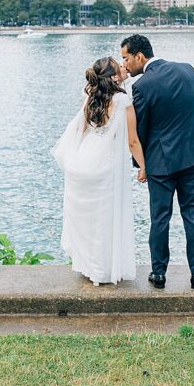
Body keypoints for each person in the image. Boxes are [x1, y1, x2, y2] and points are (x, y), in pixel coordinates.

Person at [120, 34, 194, 290]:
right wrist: (188, 128)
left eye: (126, 58)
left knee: (160, 217)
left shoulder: (142, 86)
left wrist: (142, 163)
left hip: (160, 162)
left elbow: (140, 130)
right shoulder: (188, 70)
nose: (126, 65)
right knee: (193, 215)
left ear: (140, 56)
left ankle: (159, 274)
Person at [53, 56, 144, 286]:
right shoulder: (123, 101)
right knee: (104, 218)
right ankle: (103, 270)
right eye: (119, 66)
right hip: (104, 166)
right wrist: (144, 166)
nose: (124, 67)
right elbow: (132, 141)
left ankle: (88, 266)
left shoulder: (91, 98)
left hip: (81, 164)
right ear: (114, 77)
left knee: (88, 219)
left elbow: (80, 131)